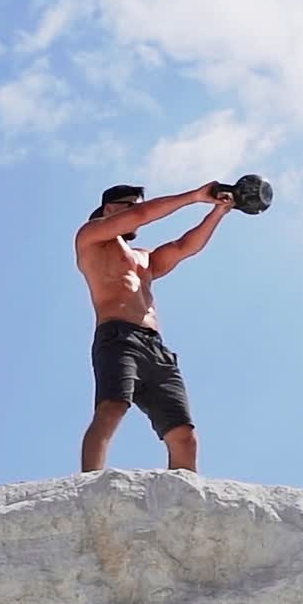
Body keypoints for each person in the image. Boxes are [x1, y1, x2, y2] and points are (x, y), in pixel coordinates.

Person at [75, 182, 234, 473]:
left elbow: (184, 247)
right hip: (117, 336)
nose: (136, 210)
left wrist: (219, 211)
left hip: (155, 347)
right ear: (110, 208)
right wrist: (195, 195)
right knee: (112, 407)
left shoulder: (143, 257)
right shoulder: (91, 237)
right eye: (130, 205)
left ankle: (183, 506)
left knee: (184, 435)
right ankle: (89, 486)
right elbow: (143, 215)